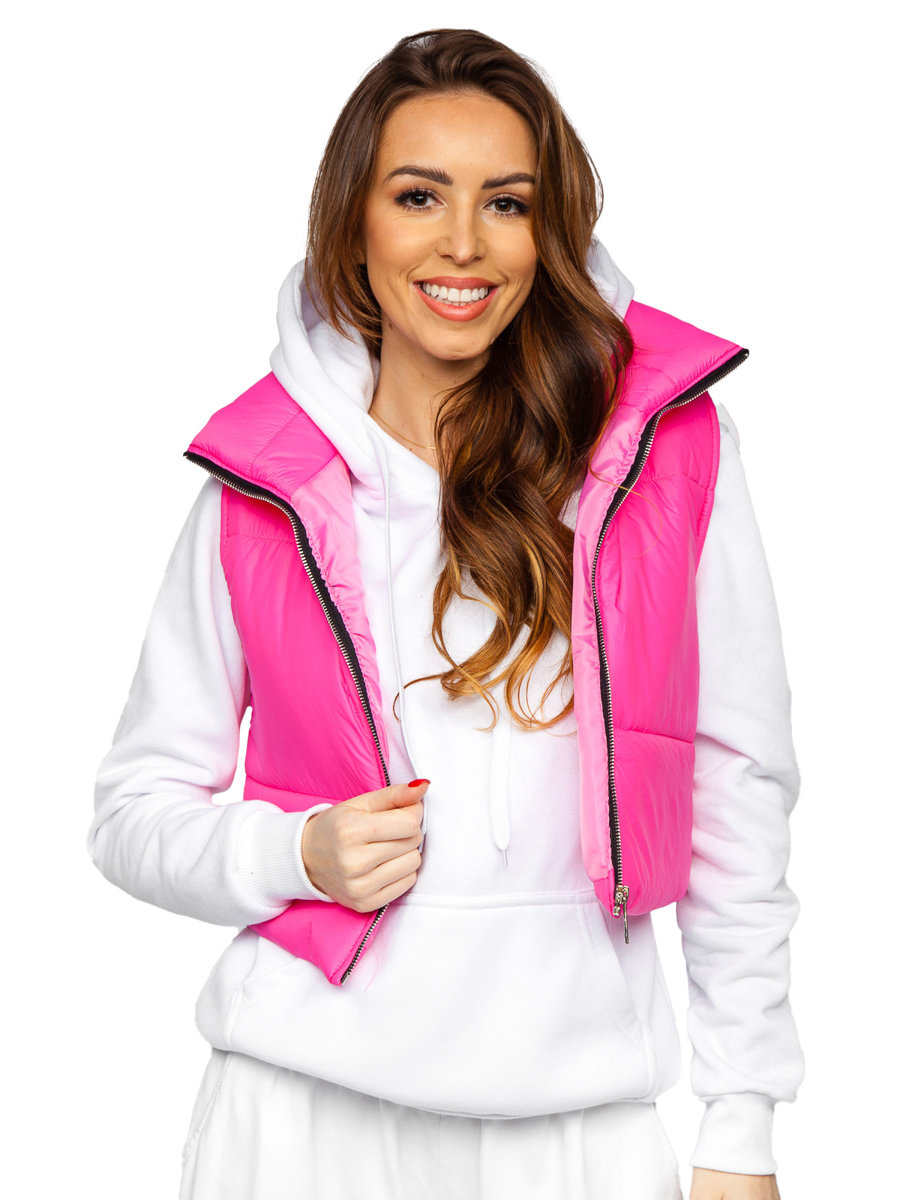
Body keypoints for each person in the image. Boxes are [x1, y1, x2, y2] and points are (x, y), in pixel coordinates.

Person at [88, 27, 803, 1200]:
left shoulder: (663, 456)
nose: (462, 243)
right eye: (418, 196)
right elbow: (131, 811)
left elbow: (737, 788)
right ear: (354, 224)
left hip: (576, 1131)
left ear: (550, 231)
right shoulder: (264, 486)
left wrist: (741, 1121)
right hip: (299, 1119)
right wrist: (293, 853)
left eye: (506, 203)